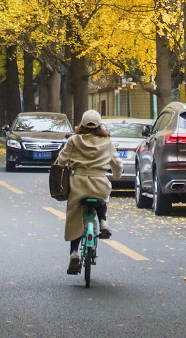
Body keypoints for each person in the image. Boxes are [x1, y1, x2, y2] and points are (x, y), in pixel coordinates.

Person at [54, 109, 121, 275]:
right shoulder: (107, 141)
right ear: (99, 125)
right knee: (103, 198)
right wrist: (117, 175)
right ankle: (103, 221)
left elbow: (61, 160)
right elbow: (116, 163)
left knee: (74, 218)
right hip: (100, 183)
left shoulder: (74, 140)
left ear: (81, 124)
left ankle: (74, 253)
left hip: (78, 184)